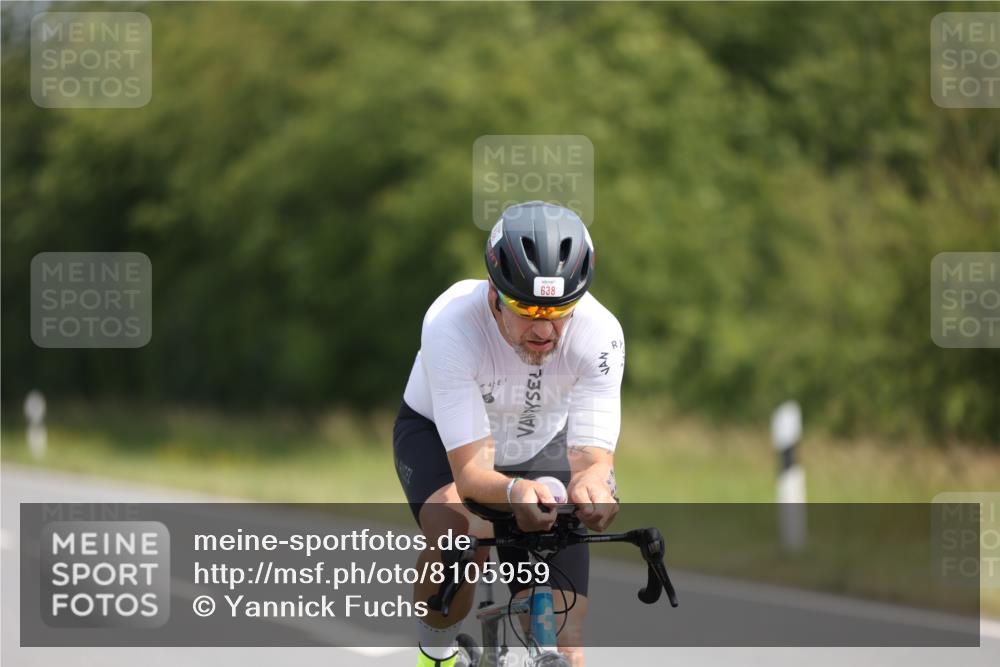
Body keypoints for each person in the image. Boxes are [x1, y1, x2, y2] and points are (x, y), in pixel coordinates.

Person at [393, 201, 624, 667]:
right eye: (526, 308)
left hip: (539, 446)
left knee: (568, 636)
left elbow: (593, 461)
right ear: (495, 294)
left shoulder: (601, 333)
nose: (544, 328)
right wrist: (514, 489)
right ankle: (435, 658)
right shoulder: (451, 325)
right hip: (441, 439)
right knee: (464, 538)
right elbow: (473, 473)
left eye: (560, 310)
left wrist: (595, 489)